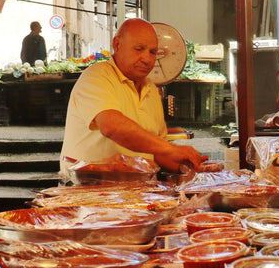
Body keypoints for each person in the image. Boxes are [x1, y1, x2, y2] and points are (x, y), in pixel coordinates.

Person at [61, 18, 207, 173]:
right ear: (117, 45)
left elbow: (156, 152)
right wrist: (171, 148)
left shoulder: (150, 89)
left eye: (152, 52)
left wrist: (188, 168)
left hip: (137, 191)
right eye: (139, 49)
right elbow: (112, 126)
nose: (147, 59)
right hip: (88, 191)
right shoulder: (97, 77)